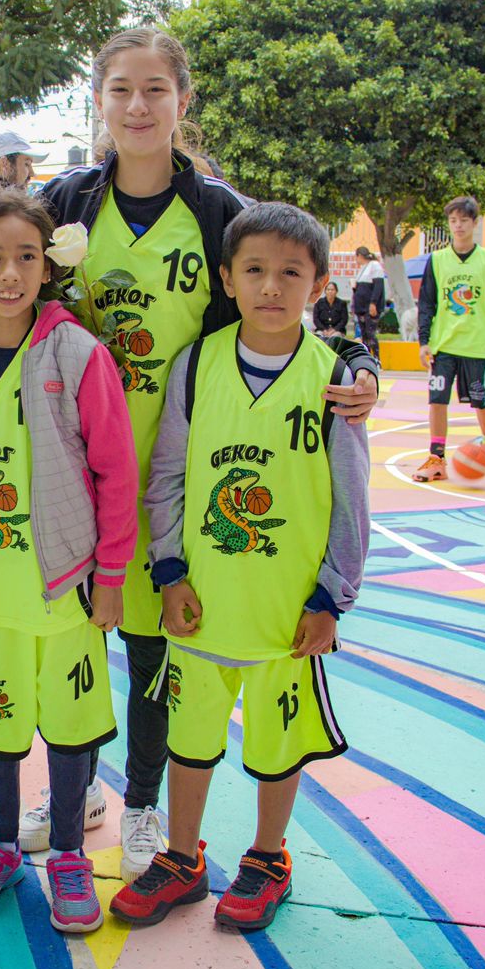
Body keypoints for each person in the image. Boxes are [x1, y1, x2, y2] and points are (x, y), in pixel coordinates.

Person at [38, 27, 380, 883]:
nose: (138, 106)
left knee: (157, 655)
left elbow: (282, 306)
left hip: (175, 479)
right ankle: (72, 787)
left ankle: (146, 803)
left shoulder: (218, 212)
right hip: (76, 468)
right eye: (120, 89)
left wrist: (360, 368)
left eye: (156, 89)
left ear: (183, 102)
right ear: (100, 100)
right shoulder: (65, 204)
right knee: (66, 639)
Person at [111, 202, 369, 931]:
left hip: (287, 614)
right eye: (254, 270)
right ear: (227, 278)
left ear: (318, 284)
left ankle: (267, 856)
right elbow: (165, 478)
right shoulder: (198, 365)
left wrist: (332, 595)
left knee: (275, 744)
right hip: (202, 606)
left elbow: (352, 499)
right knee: (190, 741)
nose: (271, 287)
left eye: (291, 273)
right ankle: (183, 857)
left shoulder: (334, 381)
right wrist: (168, 572)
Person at [0, 190, 137, 934]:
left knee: (71, 721)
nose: (10, 273)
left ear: (48, 267)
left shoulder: (76, 351)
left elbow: (115, 471)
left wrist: (111, 575)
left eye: (26, 256)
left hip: (65, 581)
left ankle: (66, 856)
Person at [412, 195, 485, 481]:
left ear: (474, 223)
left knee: (481, 400)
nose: (458, 226)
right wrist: (424, 341)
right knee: (437, 400)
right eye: (453, 221)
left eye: (463, 220)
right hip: (443, 344)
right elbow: (427, 304)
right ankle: (437, 457)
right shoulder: (437, 261)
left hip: (478, 345)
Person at [351, 246, 384, 358]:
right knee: (364, 334)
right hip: (361, 307)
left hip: (369, 307)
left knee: (371, 333)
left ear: (359, 256)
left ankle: (377, 358)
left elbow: (378, 286)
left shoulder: (374, 266)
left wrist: (373, 303)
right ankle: (367, 357)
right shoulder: (363, 268)